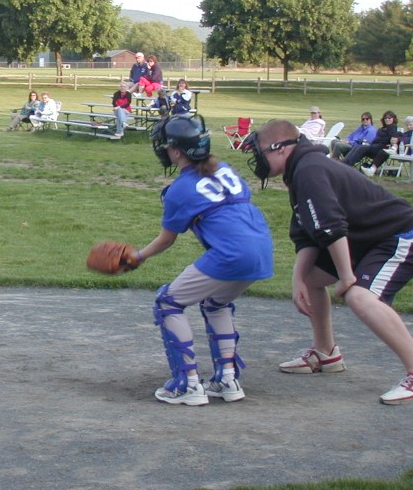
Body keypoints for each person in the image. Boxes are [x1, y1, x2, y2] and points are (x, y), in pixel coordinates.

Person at [241, 119, 413, 405]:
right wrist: (299, 278)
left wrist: (346, 278)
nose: (257, 159)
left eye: (261, 152)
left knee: (359, 296)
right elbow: (308, 235)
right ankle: (326, 353)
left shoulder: (310, 170)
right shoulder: (299, 170)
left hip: (400, 235)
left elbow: (332, 228)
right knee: (312, 279)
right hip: (369, 239)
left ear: (282, 149)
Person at [134, 114, 273, 406]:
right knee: (216, 303)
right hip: (261, 246)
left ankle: (187, 384)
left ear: (175, 151)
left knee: (168, 302)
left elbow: (167, 239)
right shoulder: (224, 169)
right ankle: (227, 378)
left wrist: (138, 256)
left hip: (231, 252)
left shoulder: (180, 189)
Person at [342, 110, 402, 176]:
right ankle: (344, 164)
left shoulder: (392, 127)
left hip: (381, 148)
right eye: (385, 118)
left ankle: (346, 166)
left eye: (389, 118)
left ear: (394, 119)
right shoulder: (383, 128)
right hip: (375, 146)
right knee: (358, 147)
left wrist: (394, 142)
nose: (387, 119)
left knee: (361, 148)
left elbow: (393, 137)